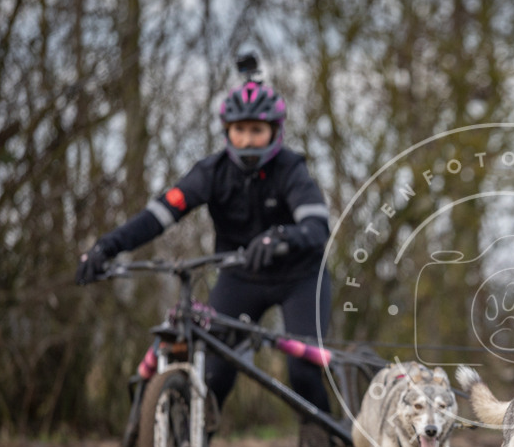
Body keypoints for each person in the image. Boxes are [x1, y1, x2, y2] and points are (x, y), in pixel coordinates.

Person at [75, 59, 333, 425]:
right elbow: (158, 216)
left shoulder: (291, 170)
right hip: (240, 277)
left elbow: (317, 228)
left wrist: (280, 237)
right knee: (214, 373)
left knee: (303, 372)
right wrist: (106, 247)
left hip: (301, 278)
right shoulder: (210, 173)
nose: (247, 140)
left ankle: (326, 442)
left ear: (275, 131)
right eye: (239, 130)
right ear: (227, 131)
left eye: (256, 130)